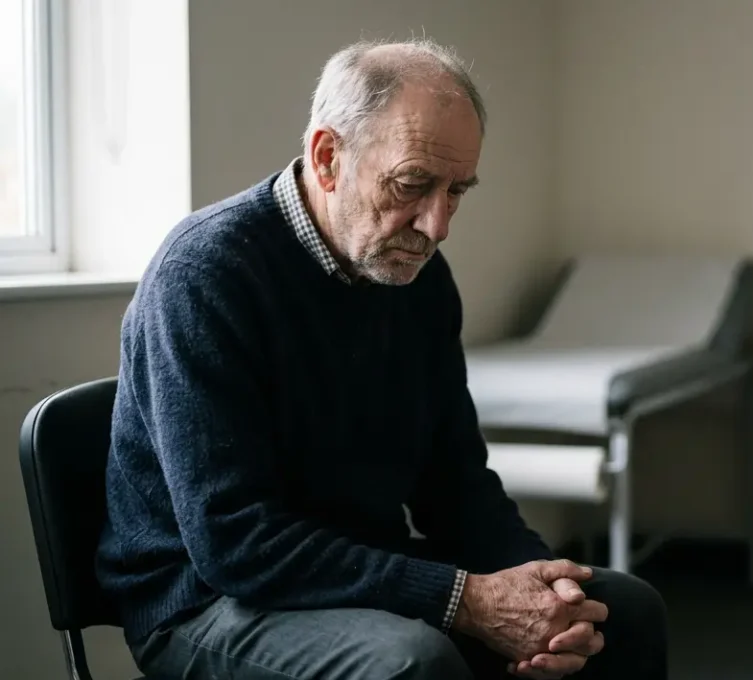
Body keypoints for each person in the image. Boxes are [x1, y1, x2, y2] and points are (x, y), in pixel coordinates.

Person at [95, 38, 668, 680]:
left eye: (457, 192)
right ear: (327, 156)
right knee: (411, 665)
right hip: (206, 600)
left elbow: (456, 484)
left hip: (355, 565)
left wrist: (546, 592)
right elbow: (235, 544)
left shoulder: (420, 277)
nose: (437, 225)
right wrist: (466, 600)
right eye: (413, 185)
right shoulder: (204, 276)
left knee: (621, 612)